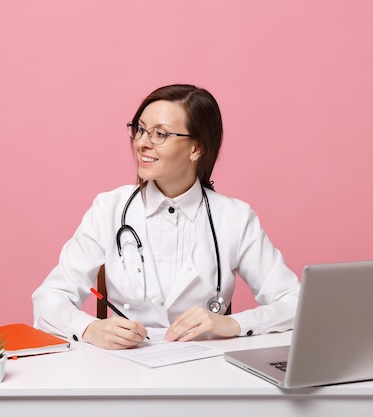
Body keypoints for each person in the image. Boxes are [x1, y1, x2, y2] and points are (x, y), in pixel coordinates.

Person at [32, 84, 300, 350]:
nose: (142, 143)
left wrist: (235, 324)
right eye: (140, 129)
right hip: (124, 371)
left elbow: (296, 301)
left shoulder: (235, 218)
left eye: (159, 133)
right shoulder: (108, 208)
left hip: (207, 372)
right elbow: (49, 298)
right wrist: (88, 328)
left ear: (196, 148)